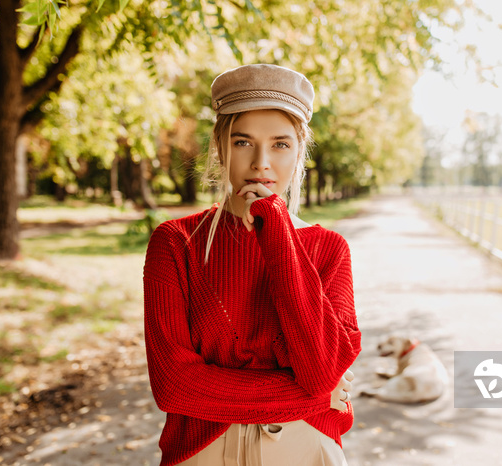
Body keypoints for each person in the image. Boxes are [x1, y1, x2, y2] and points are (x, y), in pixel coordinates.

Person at [143, 64, 362, 466]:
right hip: (200, 451)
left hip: (306, 449)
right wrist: (310, 396)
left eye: (280, 144)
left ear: (300, 152)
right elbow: (175, 387)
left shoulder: (328, 249)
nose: (262, 163)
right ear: (220, 146)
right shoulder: (175, 243)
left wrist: (275, 226)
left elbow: (324, 368)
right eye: (243, 142)